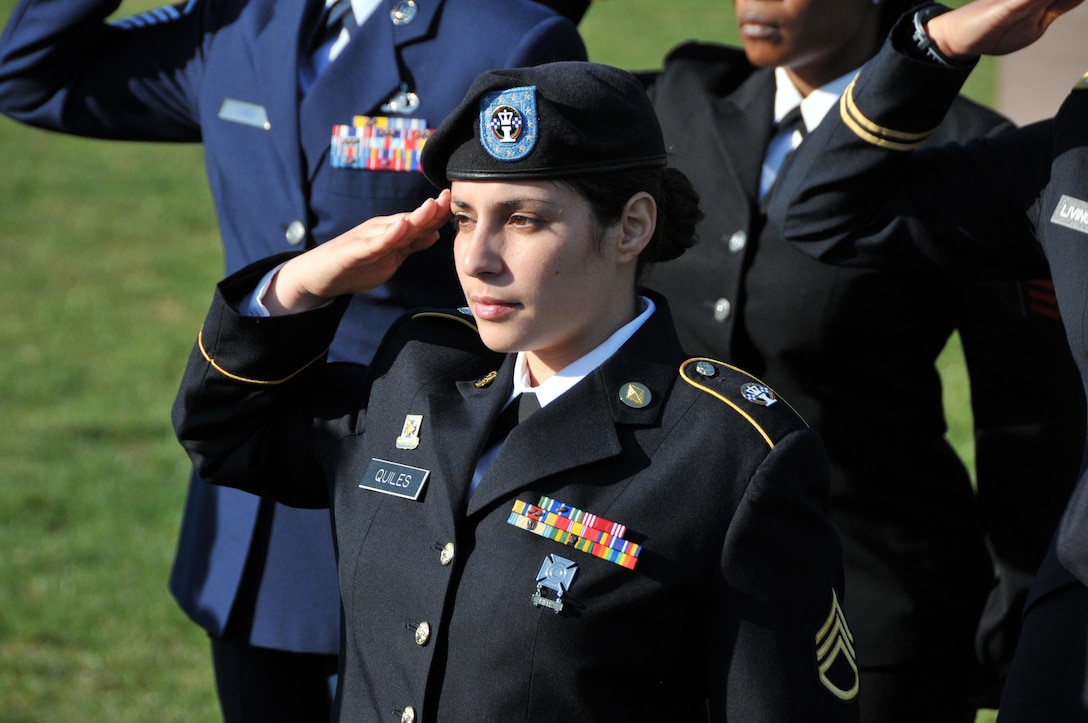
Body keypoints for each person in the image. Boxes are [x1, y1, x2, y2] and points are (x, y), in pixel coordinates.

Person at [172, 60, 860, 722]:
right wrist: (300, 284)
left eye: (523, 219)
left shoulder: (727, 457)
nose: (475, 257)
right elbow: (226, 430)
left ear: (631, 226)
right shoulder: (419, 376)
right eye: (465, 217)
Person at [0, 0, 585, 718]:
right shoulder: (239, 21)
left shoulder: (504, 32)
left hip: (419, 503)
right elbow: (30, 76)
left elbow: (557, 266)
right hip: (252, 512)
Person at [640, 0, 1085, 719]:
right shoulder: (682, 103)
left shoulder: (973, 144)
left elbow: (1027, 421)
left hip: (871, 609)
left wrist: (1014, 629)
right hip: (673, 589)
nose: (751, 5)